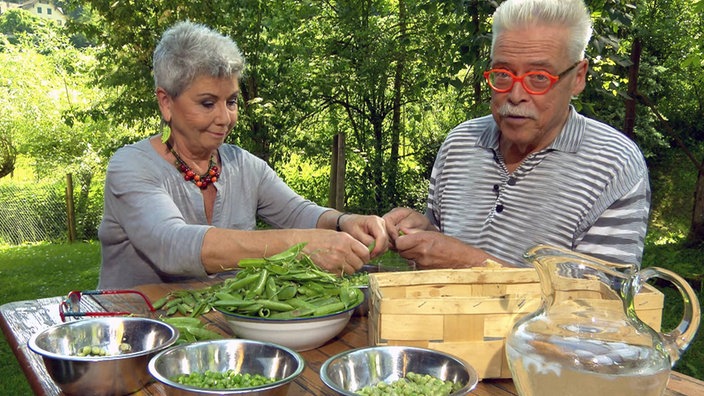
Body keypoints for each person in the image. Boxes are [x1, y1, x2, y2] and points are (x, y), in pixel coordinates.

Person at [98, 21, 388, 289]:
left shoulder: (244, 165)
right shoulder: (131, 166)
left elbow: (297, 213)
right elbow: (172, 244)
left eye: (232, 101)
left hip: (219, 332)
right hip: (133, 333)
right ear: (166, 103)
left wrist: (344, 222)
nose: (225, 118)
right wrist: (298, 246)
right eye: (208, 103)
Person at [383, 0, 650, 269]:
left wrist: (473, 263)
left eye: (539, 78)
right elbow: (444, 248)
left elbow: (604, 300)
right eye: (503, 74)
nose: (515, 95)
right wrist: (426, 233)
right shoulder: (460, 144)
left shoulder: (614, 164)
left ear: (578, 77)